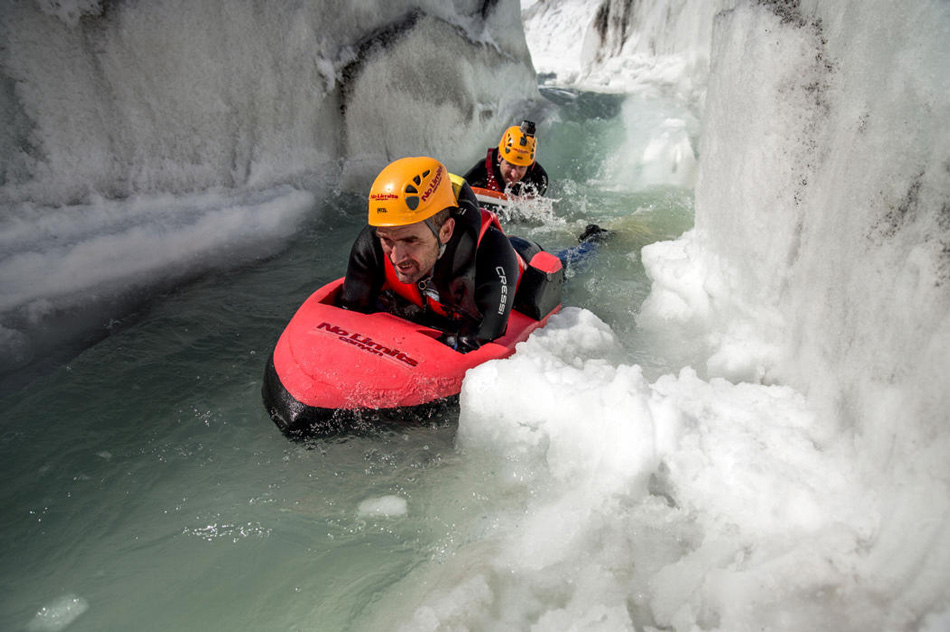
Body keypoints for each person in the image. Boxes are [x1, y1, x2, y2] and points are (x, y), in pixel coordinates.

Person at [339, 156, 523, 353]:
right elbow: (349, 317)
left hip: (520, 261)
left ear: (446, 231)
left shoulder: (493, 254)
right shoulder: (372, 242)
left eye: (411, 240)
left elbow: (478, 350)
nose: (396, 258)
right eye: (388, 241)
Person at [463, 120, 549, 197]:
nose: (514, 174)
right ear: (499, 157)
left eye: (522, 167)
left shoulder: (538, 178)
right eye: (510, 165)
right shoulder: (482, 171)